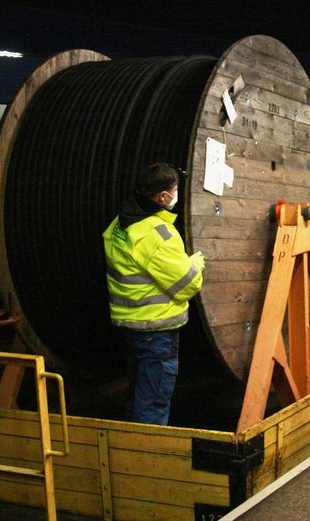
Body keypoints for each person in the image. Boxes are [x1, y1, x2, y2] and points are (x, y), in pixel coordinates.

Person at [103, 162, 205, 425]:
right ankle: (147, 458)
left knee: (138, 396)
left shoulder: (120, 223)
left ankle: (130, 449)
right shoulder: (158, 235)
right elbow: (187, 285)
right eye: (174, 190)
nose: (176, 194)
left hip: (133, 327)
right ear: (162, 197)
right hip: (157, 332)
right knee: (153, 403)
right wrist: (196, 263)